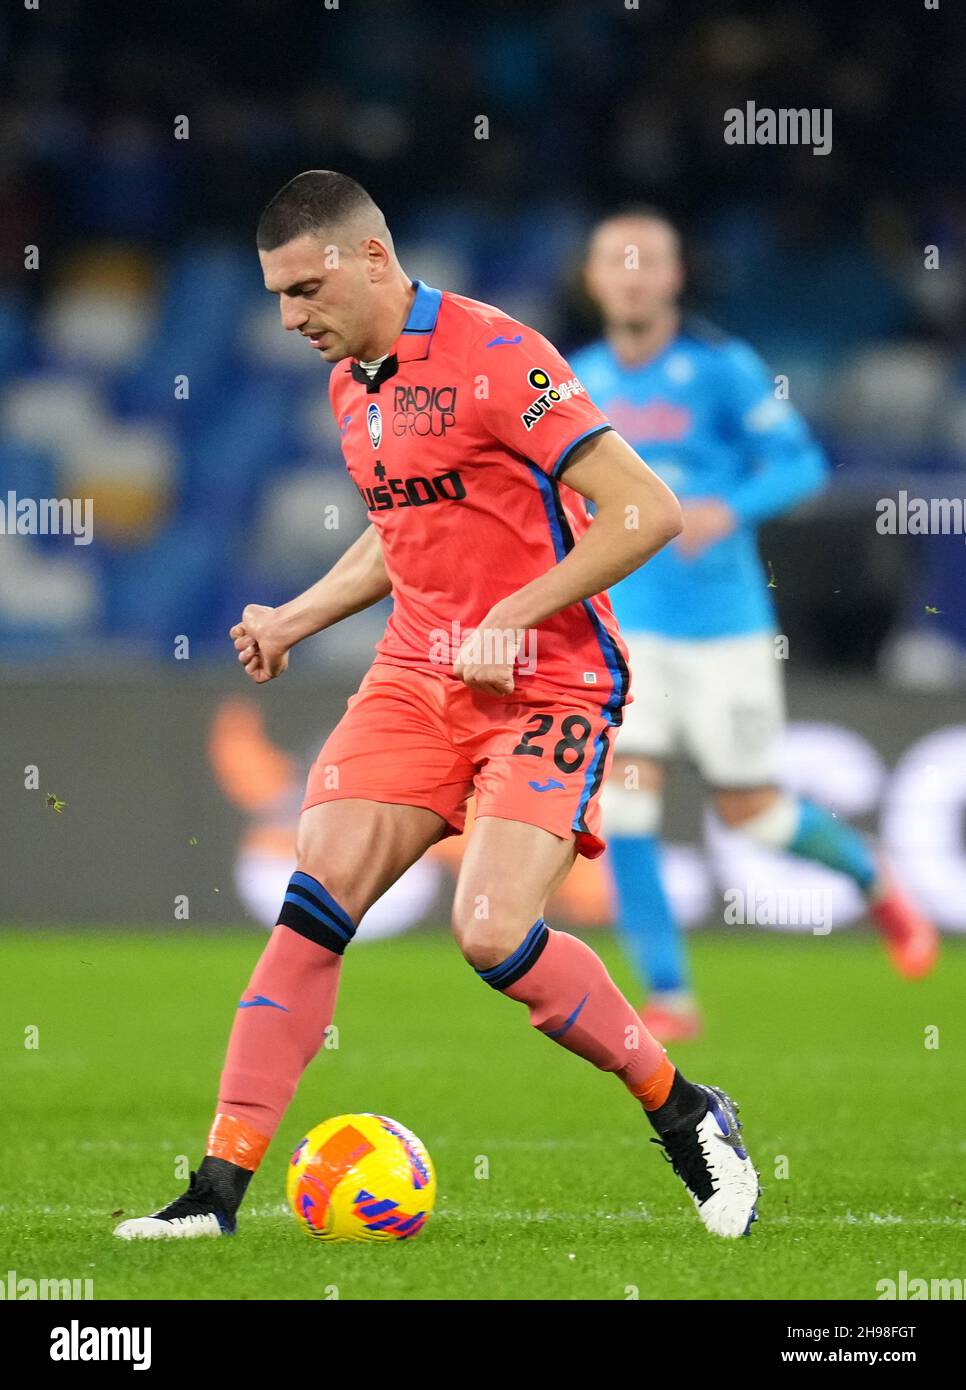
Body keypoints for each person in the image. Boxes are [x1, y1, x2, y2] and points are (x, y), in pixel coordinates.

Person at [114, 172, 759, 1243]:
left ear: (373, 256)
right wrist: (295, 618)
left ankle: (688, 1110)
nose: (291, 318)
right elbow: (402, 525)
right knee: (313, 907)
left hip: (549, 682)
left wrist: (516, 610)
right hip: (417, 678)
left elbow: (646, 510)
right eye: (277, 296)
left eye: (307, 287)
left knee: (493, 933)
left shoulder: (500, 356)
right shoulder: (348, 383)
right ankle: (214, 1195)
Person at [572, 209, 938, 1043]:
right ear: (593, 279)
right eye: (615, 261)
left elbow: (803, 463)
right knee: (624, 806)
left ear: (673, 276)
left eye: (648, 260)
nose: (632, 274)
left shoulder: (722, 369)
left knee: (756, 815)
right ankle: (671, 996)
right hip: (629, 630)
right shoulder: (574, 379)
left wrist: (724, 509)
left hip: (727, 630)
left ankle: (873, 879)